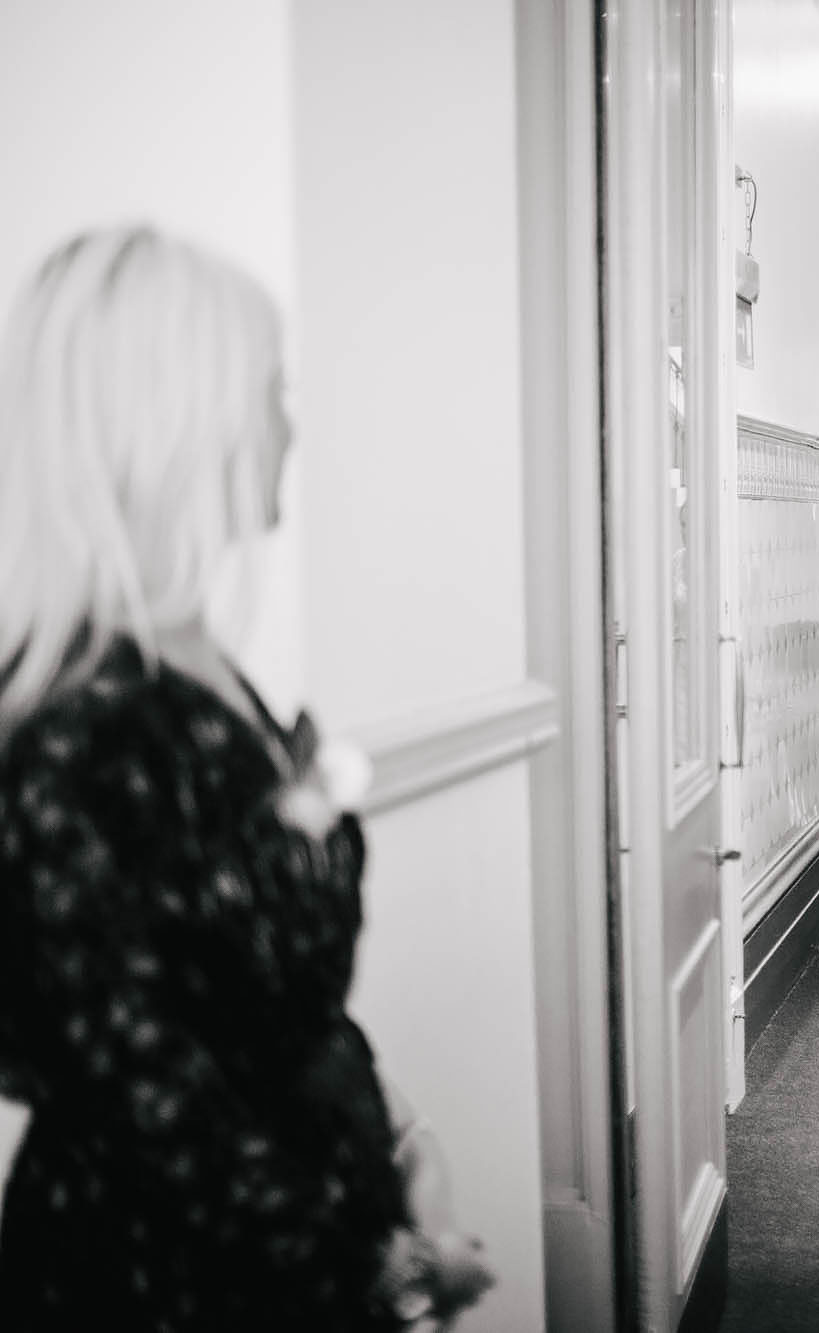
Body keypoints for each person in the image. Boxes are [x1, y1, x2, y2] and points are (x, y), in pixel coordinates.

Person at [0, 226, 492, 1329]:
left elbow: (252, 1005)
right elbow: (155, 1104)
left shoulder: (209, 671)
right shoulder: (76, 731)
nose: (287, 424)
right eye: (269, 390)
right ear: (176, 423)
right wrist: (385, 1268)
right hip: (167, 1281)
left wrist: (392, 1131)